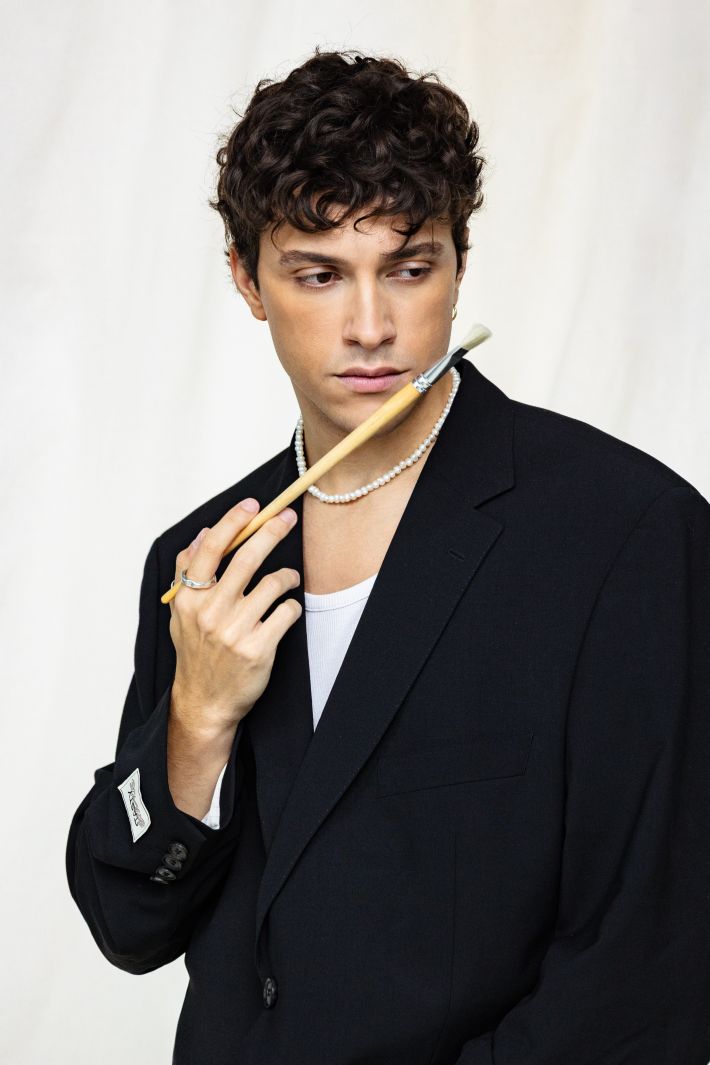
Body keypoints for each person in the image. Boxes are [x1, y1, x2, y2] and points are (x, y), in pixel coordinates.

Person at [66, 48, 710, 1065]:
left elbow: (645, 967)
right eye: (318, 275)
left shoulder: (626, 534)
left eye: (409, 268)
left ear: (458, 262)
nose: (371, 327)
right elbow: (127, 921)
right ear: (247, 280)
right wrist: (197, 715)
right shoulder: (205, 557)